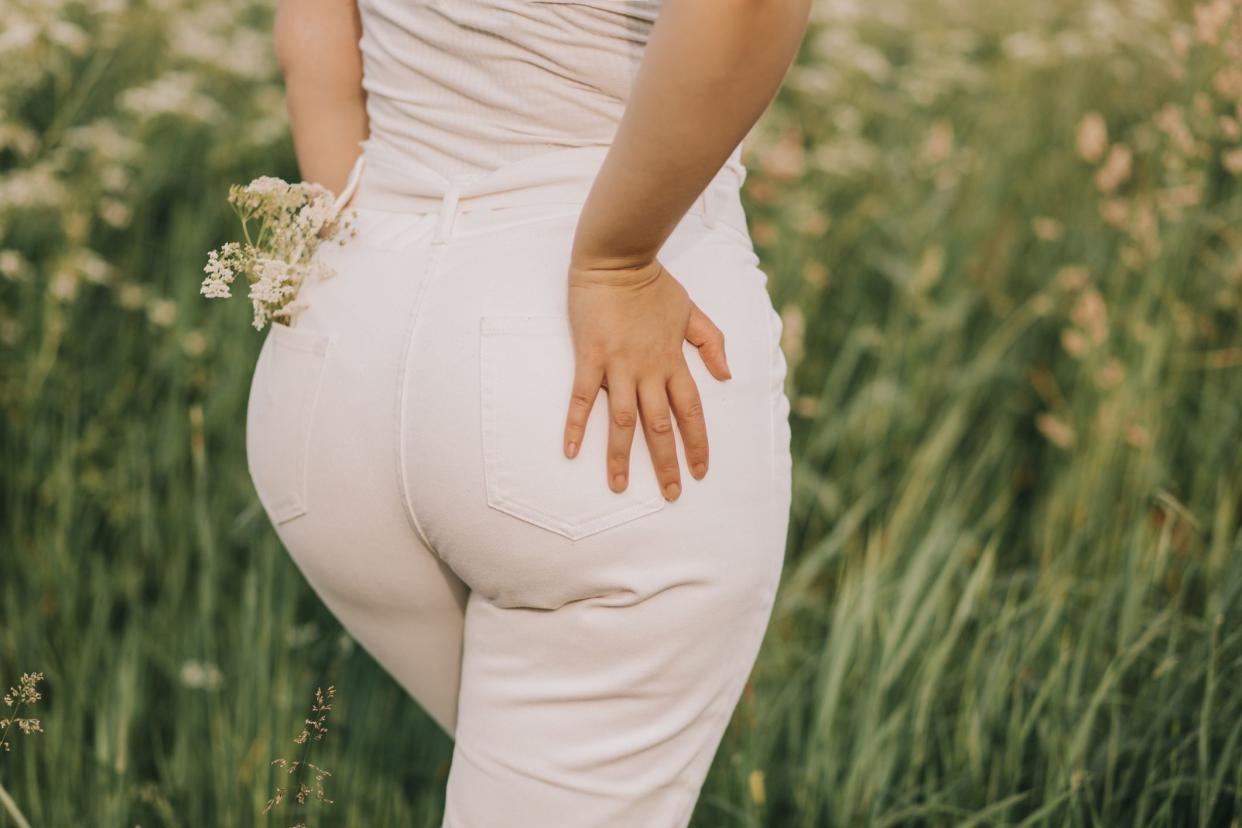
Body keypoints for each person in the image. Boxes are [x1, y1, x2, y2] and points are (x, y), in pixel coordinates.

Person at [246, 0, 810, 824]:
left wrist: (358, 262)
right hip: (580, 339)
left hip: (341, 342)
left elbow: (312, 36)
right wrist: (617, 264)